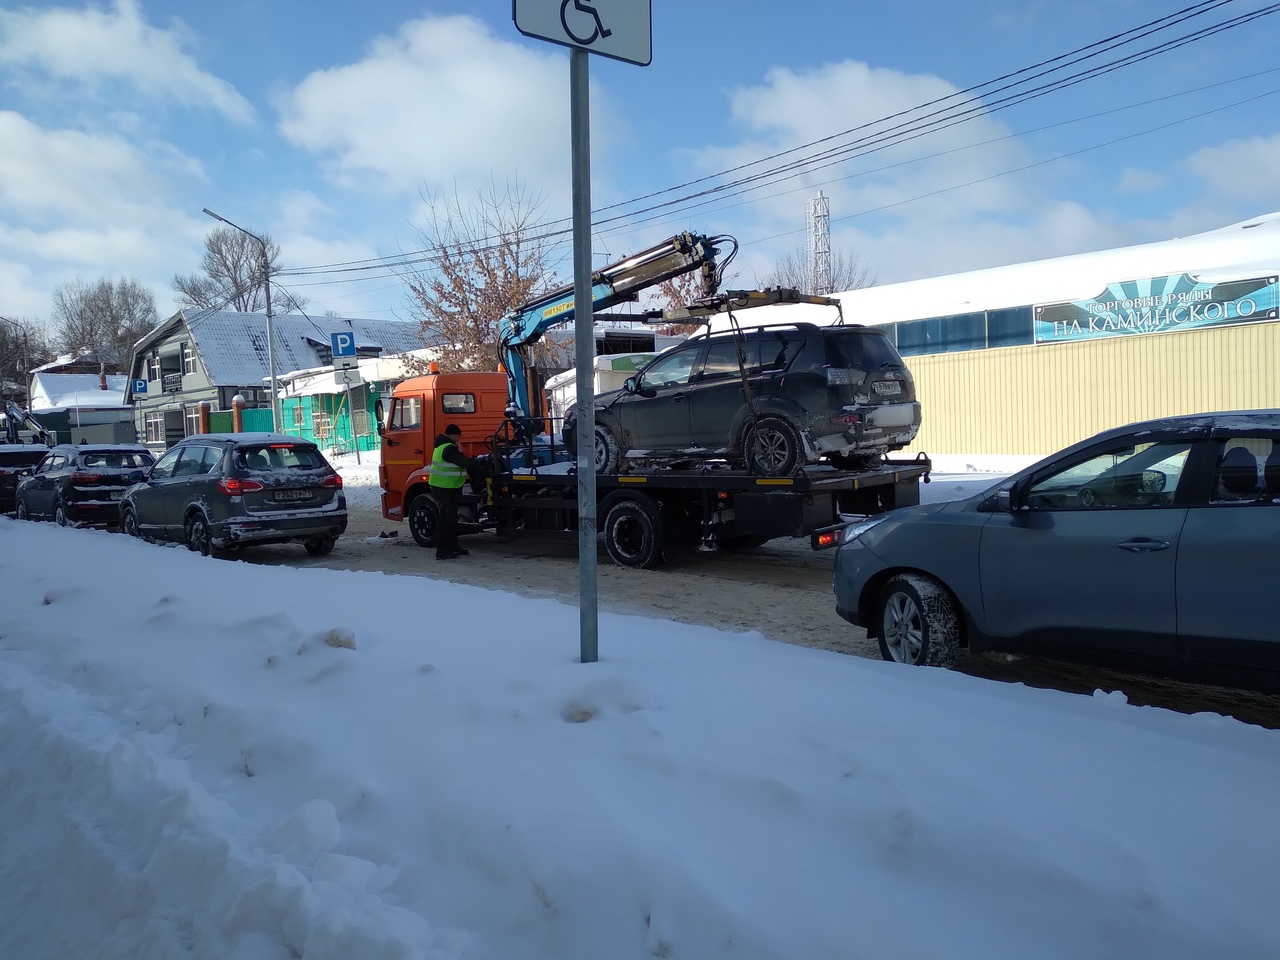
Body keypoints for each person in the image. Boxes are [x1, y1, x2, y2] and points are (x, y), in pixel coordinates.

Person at [429, 423, 478, 560]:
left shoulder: (442, 446)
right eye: (457, 435)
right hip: (444, 489)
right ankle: (442, 551)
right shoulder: (448, 448)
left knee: (451, 520)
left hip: (446, 487)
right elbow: (463, 462)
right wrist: (477, 461)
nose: (459, 438)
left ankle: (453, 547)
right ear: (451, 435)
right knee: (446, 520)